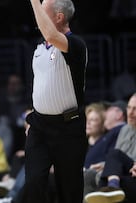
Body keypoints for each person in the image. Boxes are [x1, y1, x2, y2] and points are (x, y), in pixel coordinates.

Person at [25, 0, 88, 203]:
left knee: (69, 191)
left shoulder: (75, 45)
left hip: (68, 128)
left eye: (43, 12)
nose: (37, 17)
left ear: (59, 17)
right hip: (39, 127)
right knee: (33, 183)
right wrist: (33, 115)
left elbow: (52, 35)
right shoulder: (39, 49)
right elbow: (43, 86)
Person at [85, 93, 136, 203]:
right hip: (124, 173)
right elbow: (117, 161)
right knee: (93, 175)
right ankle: (112, 187)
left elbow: (118, 156)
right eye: (129, 108)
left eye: (135, 109)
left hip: (133, 173)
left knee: (114, 154)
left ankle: (112, 186)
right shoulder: (125, 129)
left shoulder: (119, 129)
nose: (130, 113)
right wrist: (105, 165)